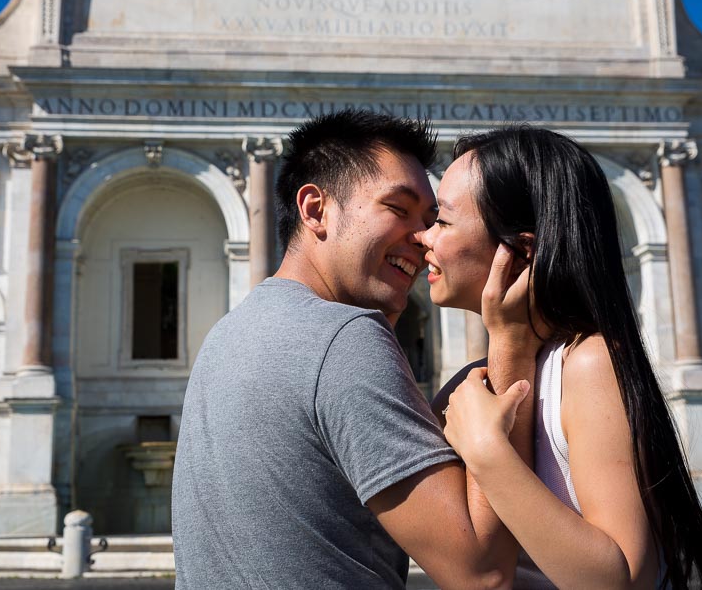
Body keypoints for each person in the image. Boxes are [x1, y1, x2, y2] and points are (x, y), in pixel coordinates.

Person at [172, 110, 532, 589]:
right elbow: (483, 574)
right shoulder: (345, 339)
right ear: (315, 209)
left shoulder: (229, 333)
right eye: (399, 209)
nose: (424, 238)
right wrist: (511, 341)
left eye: (431, 219)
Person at [424, 126, 702, 589]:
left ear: (519, 252)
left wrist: (487, 452)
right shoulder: (480, 377)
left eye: (441, 220)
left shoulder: (589, 363)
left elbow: (622, 579)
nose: (424, 237)